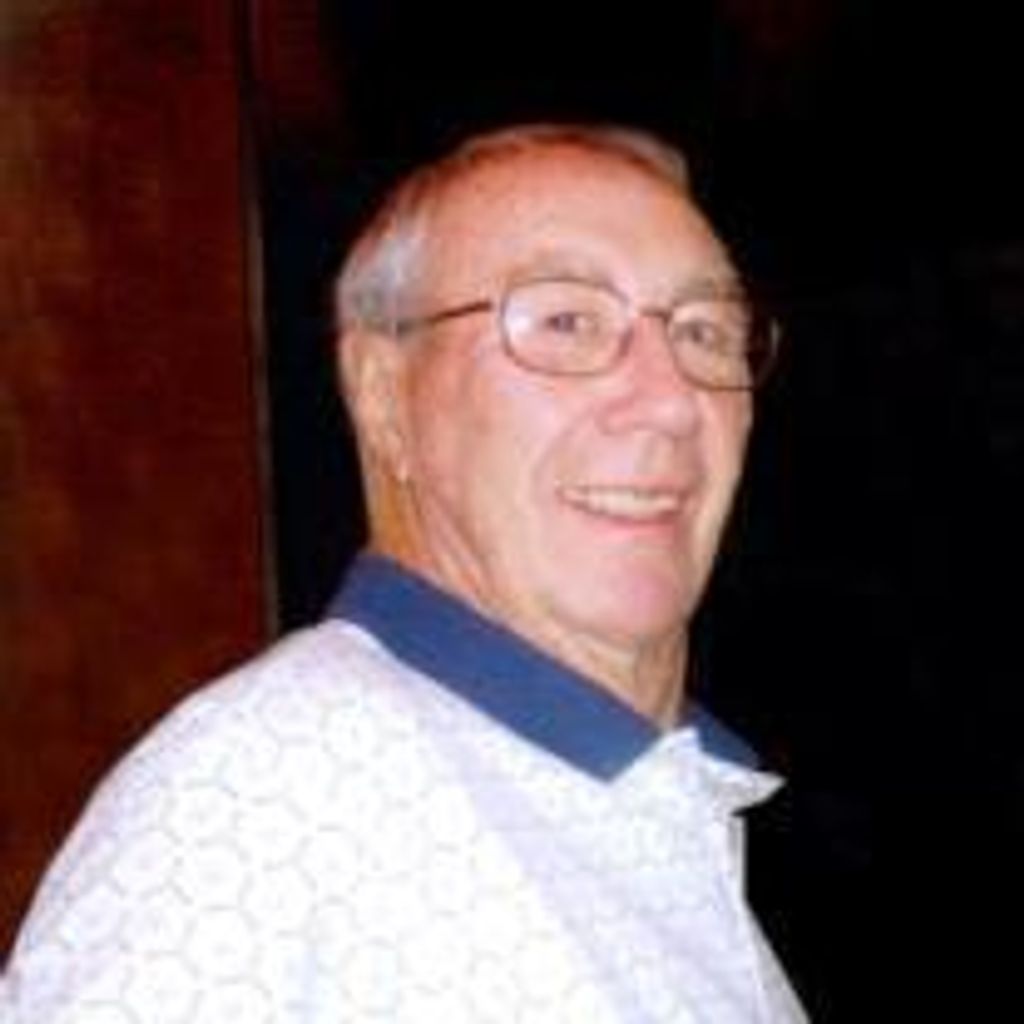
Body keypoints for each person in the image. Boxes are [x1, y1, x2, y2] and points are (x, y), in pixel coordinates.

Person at [0, 123, 806, 1022]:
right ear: (384, 396)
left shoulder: (645, 803)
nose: (670, 400)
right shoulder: (263, 800)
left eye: (705, 331)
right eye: (566, 321)